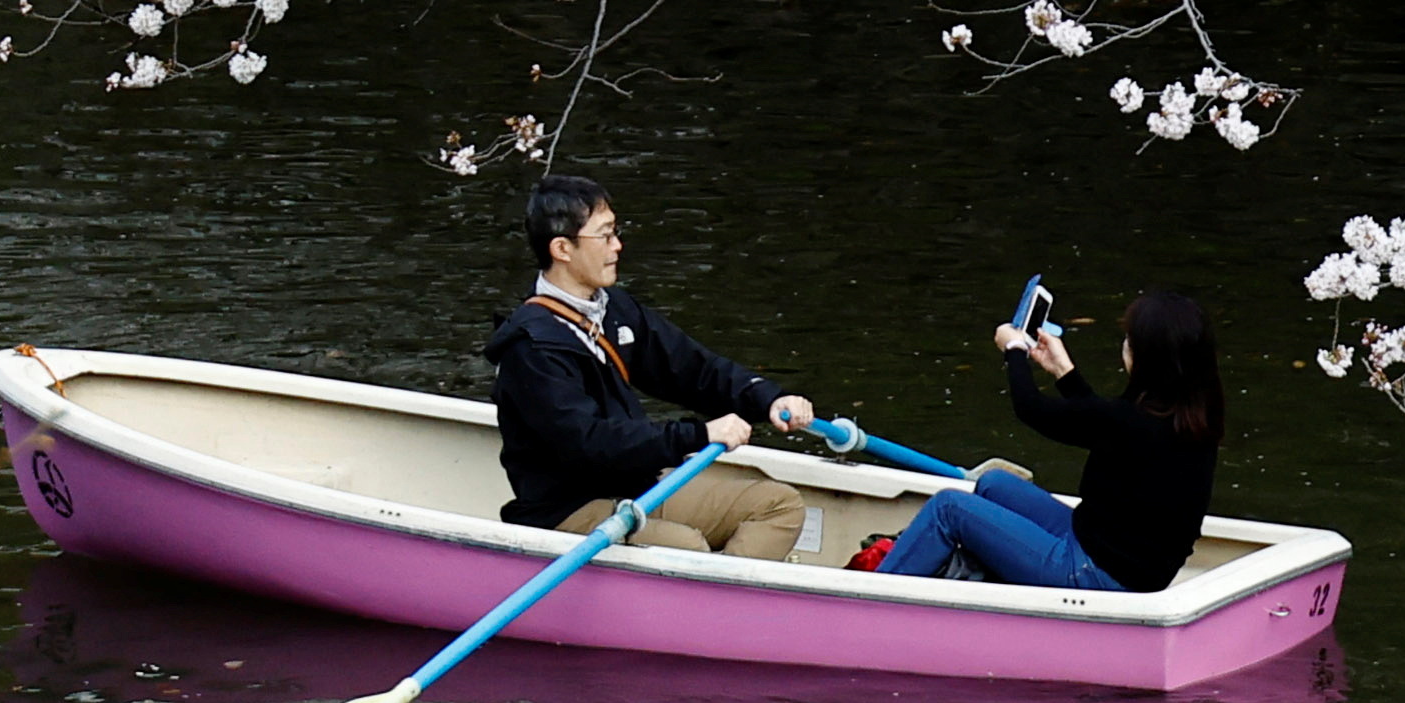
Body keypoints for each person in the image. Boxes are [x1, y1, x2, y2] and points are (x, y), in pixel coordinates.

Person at [486, 175, 833, 563]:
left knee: (779, 505)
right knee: (687, 548)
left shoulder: (615, 310)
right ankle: (712, 593)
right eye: (604, 236)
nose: (617, 246)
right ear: (562, 248)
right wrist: (697, 435)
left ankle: (719, 596)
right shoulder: (531, 348)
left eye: (616, 232)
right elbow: (591, 443)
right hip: (568, 509)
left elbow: (693, 370)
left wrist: (767, 399)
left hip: (634, 487)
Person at [875, 287, 1228, 593]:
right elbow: (1101, 424)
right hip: (1114, 555)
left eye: (1130, 340)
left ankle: (868, 601)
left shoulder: (1131, 420)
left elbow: (1031, 409)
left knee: (948, 508)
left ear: (1148, 357)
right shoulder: (1190, 415)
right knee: (994, 484)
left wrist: (1014, 349)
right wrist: (1063, 371)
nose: (1124, 345)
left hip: (1092, 573)